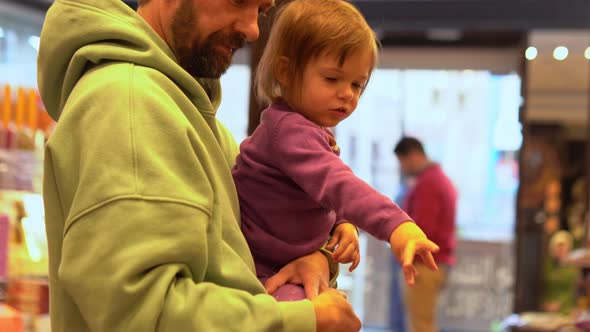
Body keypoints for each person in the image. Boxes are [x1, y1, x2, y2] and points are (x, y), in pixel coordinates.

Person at [36, 0, 362, 331]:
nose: (252, 29)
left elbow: (262, 232)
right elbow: (144, 313)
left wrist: (316, 258)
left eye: (261, 10)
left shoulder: (193, 118)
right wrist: (304, 320)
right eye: (238, 2)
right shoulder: (130, 103)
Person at [232, 0, 440, 303]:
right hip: (265, 273)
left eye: (357, 84)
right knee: (324, 315)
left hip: (287, 265)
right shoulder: (289, 131)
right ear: (285, 71)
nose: (347, 94)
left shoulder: (307, 130)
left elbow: (316, 191)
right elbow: (337, 183)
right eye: (332, 79)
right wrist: (397, 225)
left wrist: (340, 222)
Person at [394, 136, 458, 332]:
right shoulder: (439, 179)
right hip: (436, 263)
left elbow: (420, 230)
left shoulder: (428, 184)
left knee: (421, 326)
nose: (402, 168)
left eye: (402, 162)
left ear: (413, 155)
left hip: (424, 265)